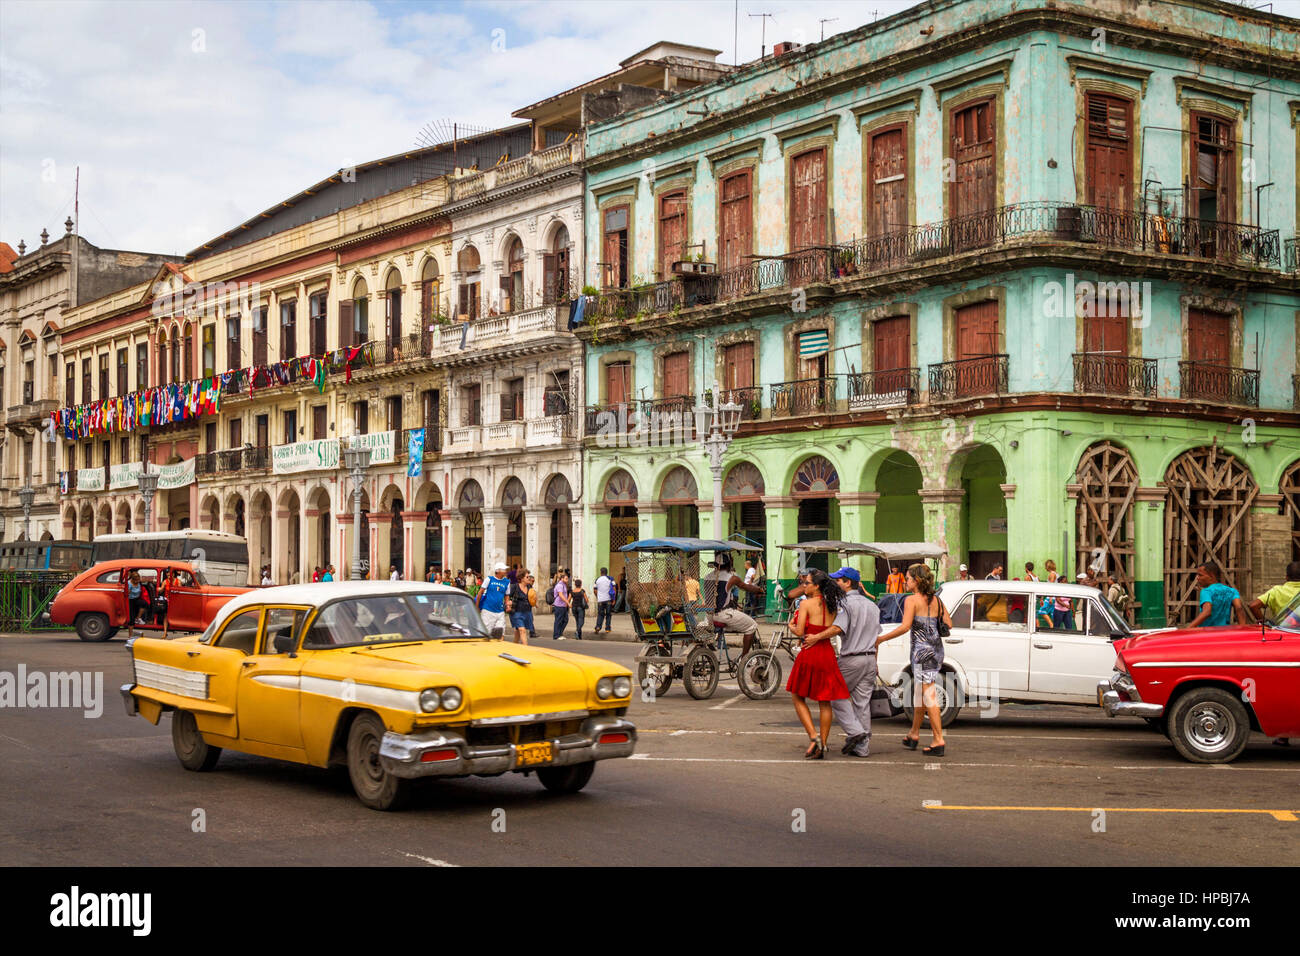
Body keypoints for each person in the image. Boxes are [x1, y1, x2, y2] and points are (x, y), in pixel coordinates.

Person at [877, 563, 952, 756]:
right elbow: (948, 623)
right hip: (936, 650)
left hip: (921, 652)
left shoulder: (911, 601)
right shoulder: (936, 600)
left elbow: (905, 626)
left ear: (916, 581)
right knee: (920, 692)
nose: (906, 582)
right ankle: (914, 734)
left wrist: (881, 639)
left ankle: (938, 740)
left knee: (929, 695)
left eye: (908, 579)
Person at [785, 569, 851, 758]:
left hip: (810, 652)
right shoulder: (832, 604)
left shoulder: (806, 604)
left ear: (816, 586)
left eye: (807, 583)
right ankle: (823, 742)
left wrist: (791, 626)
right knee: (825, 701)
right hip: (827, 652)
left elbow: (799, 632)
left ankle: (814, 737)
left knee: (798, 696)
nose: (804, 586)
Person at [818, 566, 883, 758]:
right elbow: (877, 637)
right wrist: (875, 662)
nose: (836, 584)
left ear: (847, 583)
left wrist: (816, 637)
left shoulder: (845, 604)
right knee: (862, 704)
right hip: (870, 658)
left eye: (838, 581)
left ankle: (856, 733)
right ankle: (862, 747)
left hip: (851, 658)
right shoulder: (873, 605)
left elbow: (838, 628)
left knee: (833, 694)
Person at [702, 554, 765, 655]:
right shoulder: (732, 578)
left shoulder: (707, 577)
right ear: (729, 565)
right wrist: (759, 590)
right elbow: (746, 587)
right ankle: (744, 659)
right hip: (723, 615)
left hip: (709, 616)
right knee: (752, 625)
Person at [1188, 561, 1250, 627]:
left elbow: (1207, 612)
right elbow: (1239, 608)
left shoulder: (1206, 591)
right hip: (1223, 632)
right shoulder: (1232, 591)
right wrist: (1243, 627)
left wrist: (1189, 628)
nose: (1197, 578)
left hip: (1206, 633)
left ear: (1211, 576)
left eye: (1200, 575)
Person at [476, 563, 511, 637]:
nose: (505, 571)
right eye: (503, 569)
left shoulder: (507, 582)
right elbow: (480, 593)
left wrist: (507, 606)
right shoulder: (489, 579)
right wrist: (477, 606)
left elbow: (506, 596)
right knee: (486, 634)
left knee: (500, 633)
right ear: (498, 571)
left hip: (500, 612)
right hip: (487, 611)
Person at [508, 570, 533, 644]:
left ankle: (514, 647)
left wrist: (535, 602)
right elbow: (507, 596)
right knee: (522, 630)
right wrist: (509, 602)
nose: (529, 578)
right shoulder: (515, 587)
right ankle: (526, 650)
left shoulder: (529, 587)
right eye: (527, 577)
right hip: (516, 612)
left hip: (527, 612)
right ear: (522, 578)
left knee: (518, 632)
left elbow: (532, 598)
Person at [551, 571, 572, 640]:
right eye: (566, 578)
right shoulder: (560, 585)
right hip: (559, 605)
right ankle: (556, 635)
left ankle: (560, 633)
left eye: (567, 578)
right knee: (558, 620)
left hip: (563, 605)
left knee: (565, 620)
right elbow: (561, 595)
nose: (567, 580)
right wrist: (568, 603)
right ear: (562, 579)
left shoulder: (564, 585)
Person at [594, 567, 614, 634]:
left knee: (600, 614)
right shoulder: (610, 579)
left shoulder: (597, 580)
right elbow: (614, 589)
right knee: (608, 614)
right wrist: (613, 599)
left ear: (601, 572)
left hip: (600, 600)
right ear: (606, 572)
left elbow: (595, 590)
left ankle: (598, 627)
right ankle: (607, 629)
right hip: (608, 599)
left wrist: (598, 597)